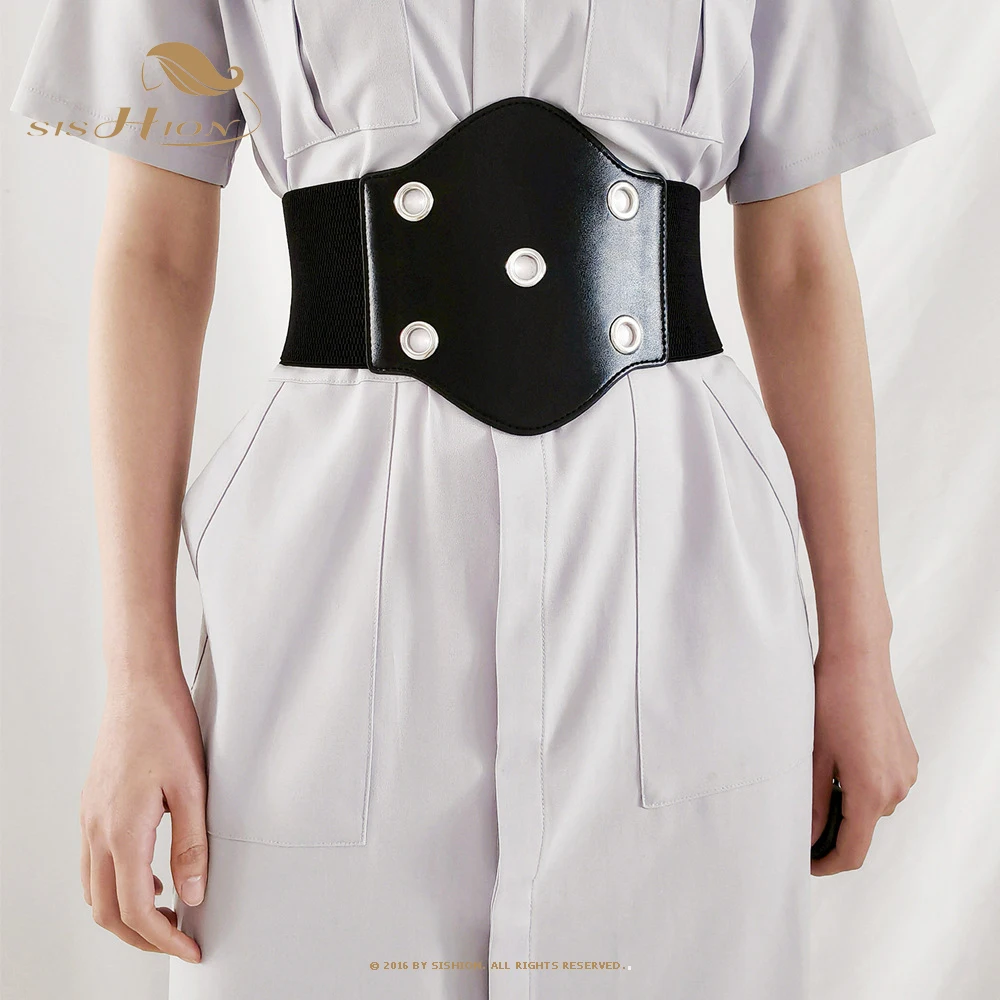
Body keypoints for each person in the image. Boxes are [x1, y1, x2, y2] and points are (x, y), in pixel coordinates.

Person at [11, 0, 934, 997]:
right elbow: (154, 253)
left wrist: (858, 648)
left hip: (680, 582)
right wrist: (137, 678)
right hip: (330, 606)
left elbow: (798, 263)